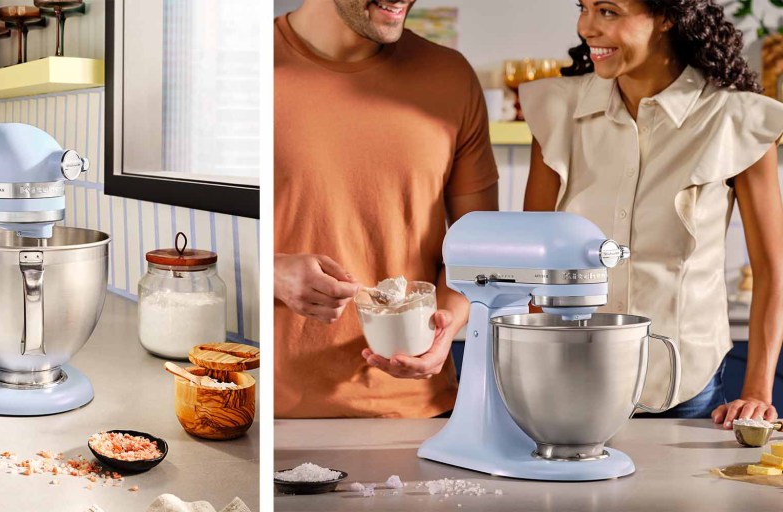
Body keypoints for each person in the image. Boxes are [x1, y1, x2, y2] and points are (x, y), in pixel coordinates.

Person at [520, 0, 783, 428]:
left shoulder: (737, 119)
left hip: (686, 388)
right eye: (583, 8)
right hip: (567, 382)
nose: (587, 27)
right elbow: (532, 265)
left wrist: (756, 392)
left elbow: (773, 271)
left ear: (667, 17)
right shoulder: (556, 112)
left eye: (608, 11)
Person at [274, 0, 499, 418]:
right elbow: (192, 236)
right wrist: (273, 273)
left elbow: (479, 245)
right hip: (274, 415)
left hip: (422, 413)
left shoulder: (450, 77)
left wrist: (448, 323)